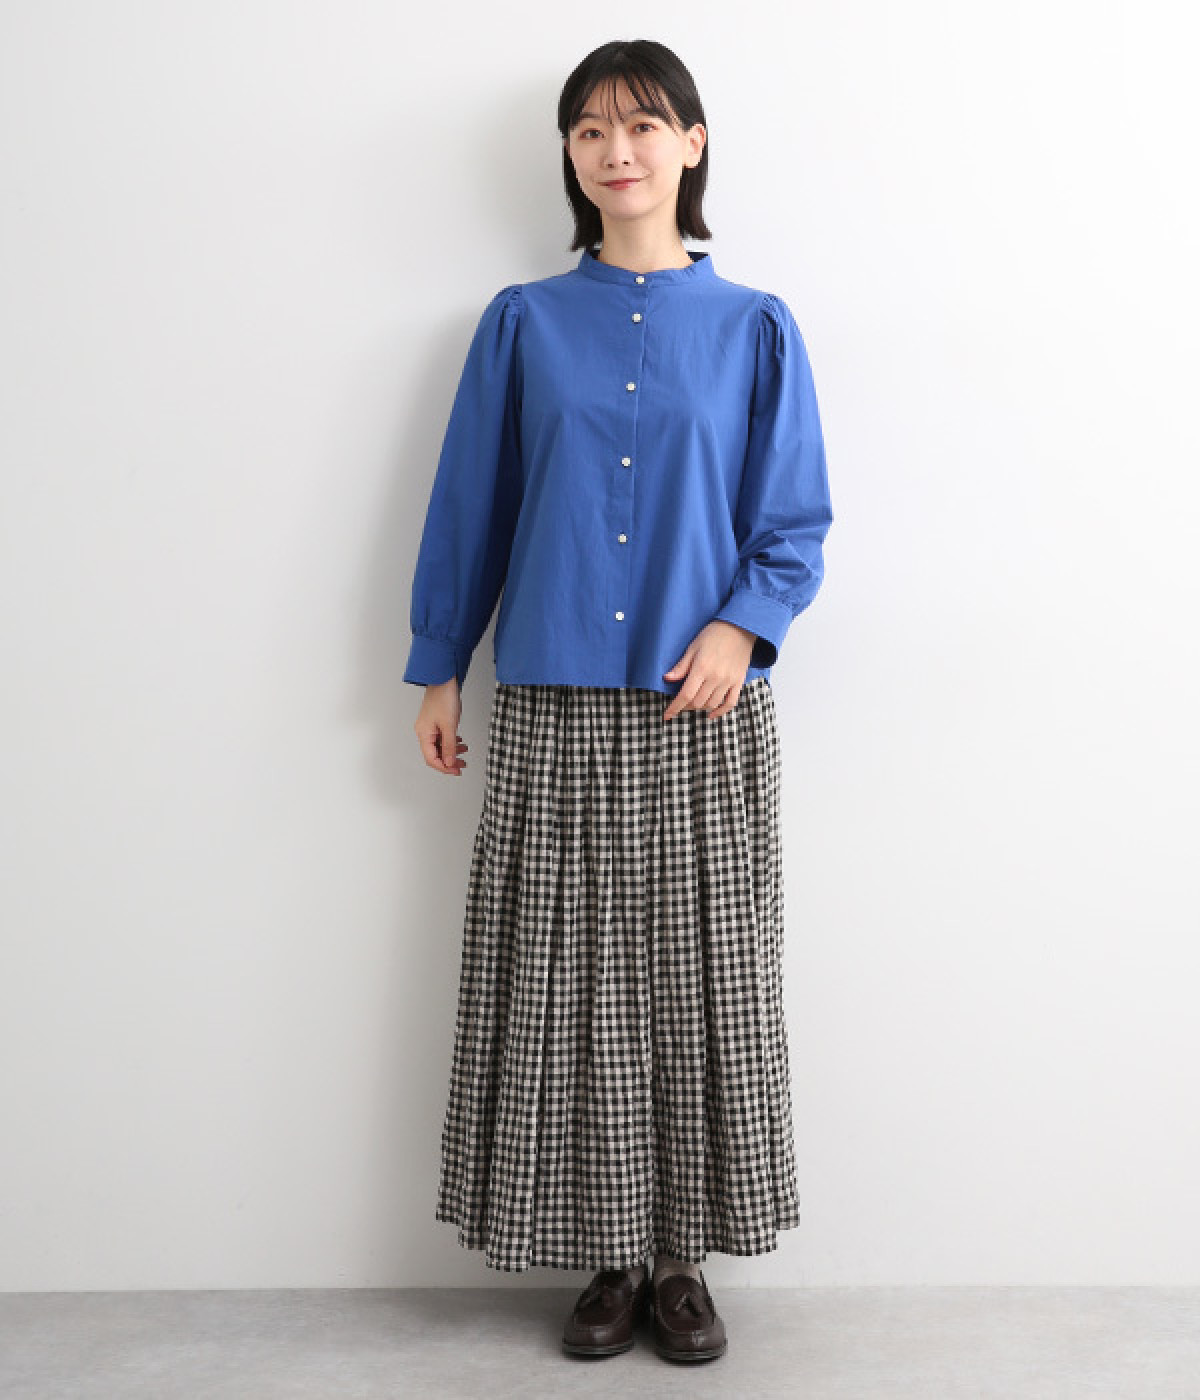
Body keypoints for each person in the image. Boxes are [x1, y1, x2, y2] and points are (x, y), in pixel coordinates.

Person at [403, 39, 833, 1365]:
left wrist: (742, 627)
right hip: (550, 698)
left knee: (701, 980)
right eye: (590, 130)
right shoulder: (521, 323)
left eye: (643, 124)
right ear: (570, 156)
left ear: (692, 143)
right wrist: (439, 659)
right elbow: (472, 502)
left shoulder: (755, 327)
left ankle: (683, 1258)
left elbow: (793, 523)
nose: (616, 150)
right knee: (566, 983)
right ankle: (606, 1256)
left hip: (700, 703)